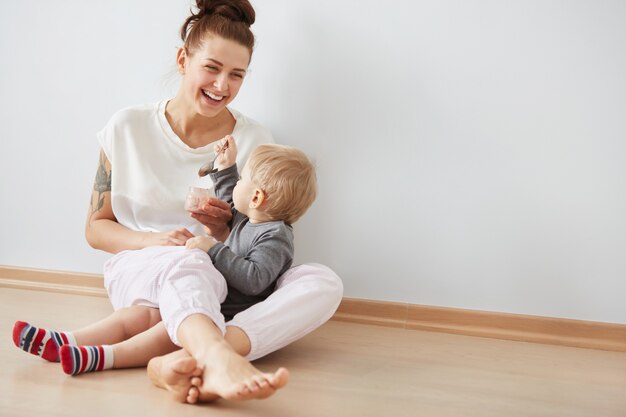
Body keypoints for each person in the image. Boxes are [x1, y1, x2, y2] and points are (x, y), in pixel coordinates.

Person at [13, 0, 342, 404]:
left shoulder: (256, 140)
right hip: (146, 268)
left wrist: (221, 229)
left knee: (323, 281)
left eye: (236, 75)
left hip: (226, 282)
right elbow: (96, 228)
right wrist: (156, 241)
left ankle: (189, 356)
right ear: (183, 58)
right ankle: (217, 356)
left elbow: (252, 240)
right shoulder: (127, 127)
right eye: (212, 68)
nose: (222, 85)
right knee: (190, 260)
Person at [13, 138, 317, 401]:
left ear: (256, 197)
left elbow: (254, 280)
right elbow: (229, 201)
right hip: (202, 297)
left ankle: (101, 358)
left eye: (242, 180)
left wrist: (214, 249)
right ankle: (69, 339)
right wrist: (226, 166)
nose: (236, 184)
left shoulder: (275, 237)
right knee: (136, 315)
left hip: (223, 313)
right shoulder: (250, 219)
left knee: (160, 332)